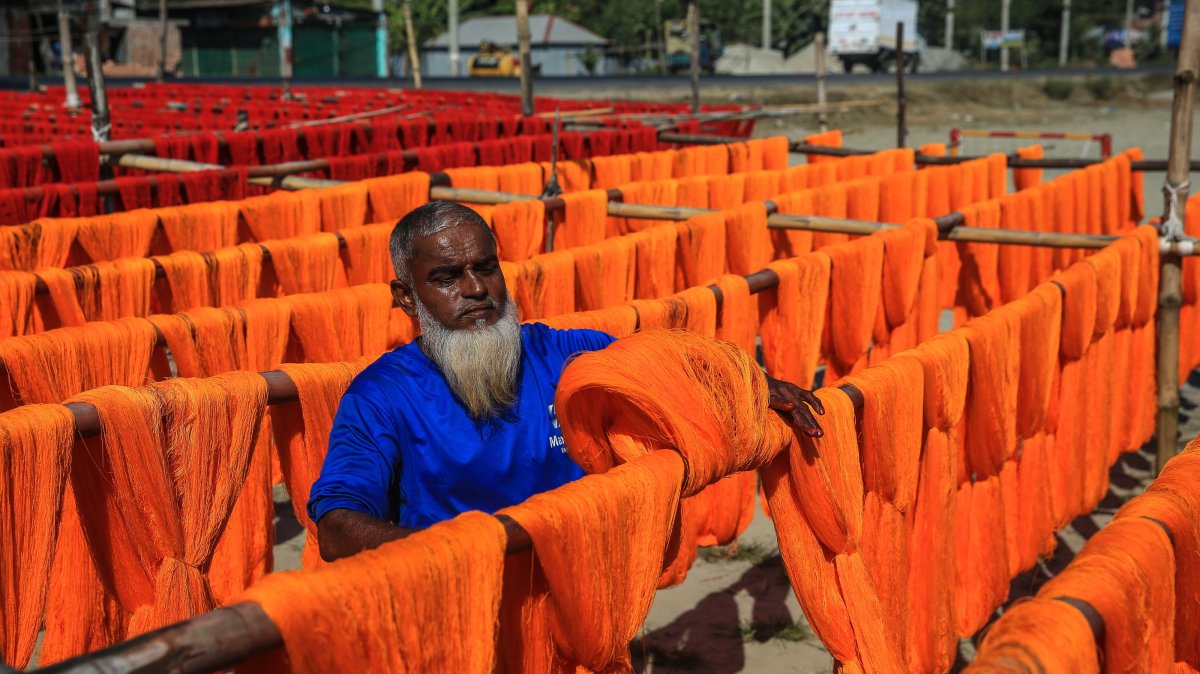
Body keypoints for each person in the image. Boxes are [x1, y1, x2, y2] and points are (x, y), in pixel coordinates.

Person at [310, 201, 824, 561]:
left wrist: (747, 382)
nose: (474, 289)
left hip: (583, 601)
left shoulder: (561, 354)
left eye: (486, 268)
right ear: (405, 297)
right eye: (446, 277)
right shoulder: (381, 396)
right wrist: (462, 553)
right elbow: (336, 525)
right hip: (457, 611)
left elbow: (663, 361)